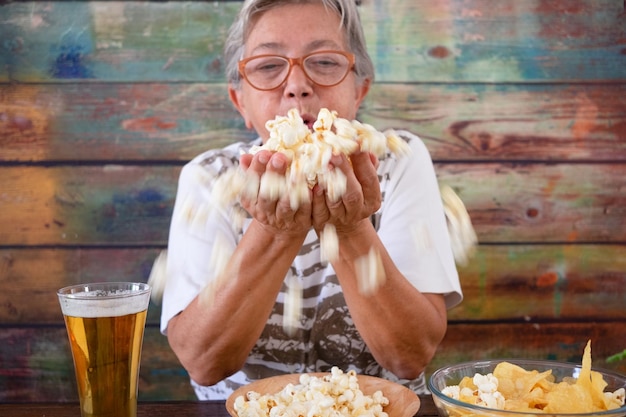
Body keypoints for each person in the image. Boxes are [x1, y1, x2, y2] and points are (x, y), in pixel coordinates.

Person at [160, 0, 463, 400]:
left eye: (323, 62)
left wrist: (350, 228)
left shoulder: (398, 160)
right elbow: (204, 363)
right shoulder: (210, 178)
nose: (297, 85)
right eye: (268, 67)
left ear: (359, 91)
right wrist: (273, 230)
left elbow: (409, 356)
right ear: (240, 103)